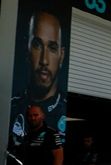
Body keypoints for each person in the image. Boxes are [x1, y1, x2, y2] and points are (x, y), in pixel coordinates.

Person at [10, 10, 68, 142]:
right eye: (37, 45)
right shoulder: (10, 107)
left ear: (62, 55)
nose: (44, 60)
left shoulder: (66, 111)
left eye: (52, 47)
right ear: (27, 49)